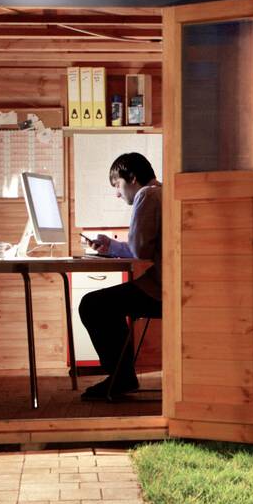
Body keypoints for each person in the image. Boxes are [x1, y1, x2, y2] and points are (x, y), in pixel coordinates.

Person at [77, 152, 163, 399]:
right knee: (106, 304)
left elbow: (141, 250)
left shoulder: (146, 195)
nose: (116, 193)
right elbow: (143, 249)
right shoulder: (162, 192)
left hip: (161, 290)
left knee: (93, 304)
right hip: (171, 283)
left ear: (132, 178)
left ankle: (121, 378)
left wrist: (119, 247)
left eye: (117, 185)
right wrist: (112, 247)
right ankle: (122, 376)